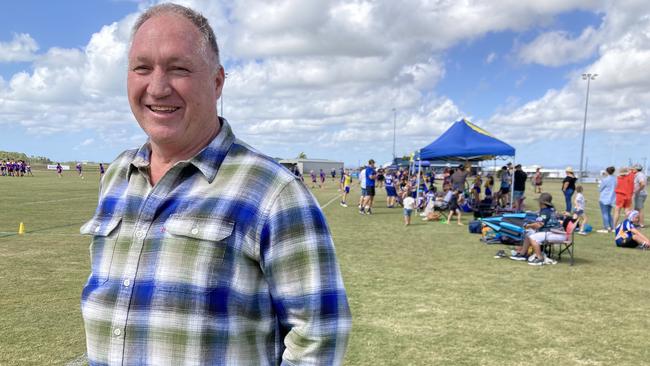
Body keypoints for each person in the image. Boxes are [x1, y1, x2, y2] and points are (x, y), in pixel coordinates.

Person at [79, 4, 350, 365]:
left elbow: (320, 334)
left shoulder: (273, 191)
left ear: (218, 82)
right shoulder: (117, 176)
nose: (157, 88)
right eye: (142, 68)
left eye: (179, 69)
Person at [510, 193, 563, 266]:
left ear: (542, 202)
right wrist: (530, 226)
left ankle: (539, 258)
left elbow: (539, 225)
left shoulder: (545, 211)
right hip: (554, 232)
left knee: (533, 237)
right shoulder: (549, 210)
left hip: (554, 233)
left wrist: (528, 226)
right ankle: (523, 254)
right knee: (528, 234)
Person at [597, 166, 616, 233]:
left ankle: (607, 227)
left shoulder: (605, 179)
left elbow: (600, 189)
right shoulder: (616, 179)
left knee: (605, 213)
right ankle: (612, 227)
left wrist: (602, 179)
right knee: (609, 213)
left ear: (607, 171)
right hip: (612, 199)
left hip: (604, 198)